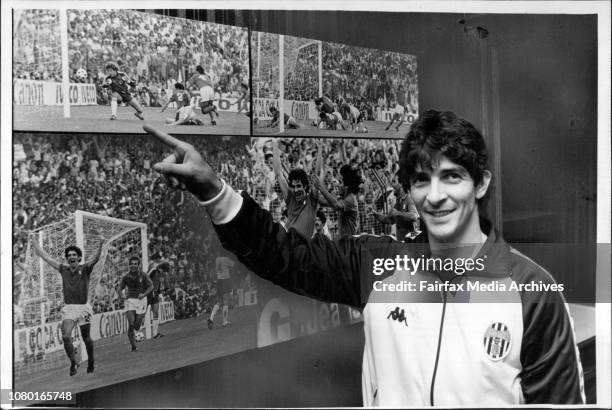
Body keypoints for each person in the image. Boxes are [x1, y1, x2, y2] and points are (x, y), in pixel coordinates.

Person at [144, 110, 585, 406]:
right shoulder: (378, 264)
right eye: (420, 180)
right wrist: (213, 190)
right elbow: (281, 255)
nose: (435, 196)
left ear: (481, 183)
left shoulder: (532, 291)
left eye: (452, 177)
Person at [32, 241, 103, 376]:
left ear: (79, 258)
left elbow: (95, 259)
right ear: (67, 258)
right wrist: (34, 240)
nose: (71, 257)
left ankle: (91, 359)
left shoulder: (85, 268)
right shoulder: (63, 269)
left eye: (74, 255)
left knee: (86, 338)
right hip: (69, 309)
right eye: (69, 255)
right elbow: (45, 257)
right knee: (65, 336)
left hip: (83, 308)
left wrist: (100, 244)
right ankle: (74, 361)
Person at [310, 164, 360, 236]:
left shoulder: (351, 199)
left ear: (347, 186)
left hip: (350, 242)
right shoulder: (343, 198)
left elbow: (336, 205)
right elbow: (323, 202)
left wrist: (320, 187)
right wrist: (311, 186)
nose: (337, 185)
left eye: (340, 182)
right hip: (344, 241)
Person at [119, 256, 154, 351]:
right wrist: (122, 296)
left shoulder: (143, 275)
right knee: (131, 324)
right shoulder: (125, 277)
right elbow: (120, 288)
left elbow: (151, 287)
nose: (133, 265)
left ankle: (138, 328)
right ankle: (133, 346)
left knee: (136, 326)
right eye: (132, 264)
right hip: (130, 301)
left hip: (142, 301)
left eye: (135, 264)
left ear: (138, 265)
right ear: (129, 265)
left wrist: (143, 295)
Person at [148, 260, 170, 338]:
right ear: (161, 268)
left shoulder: (161, 274)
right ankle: (137, 333)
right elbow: (146, 278)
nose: (164, 273)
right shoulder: (153, 271)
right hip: (148, 294)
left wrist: (161, 292)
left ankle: (155, 334)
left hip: (155, 295)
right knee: (142, 314)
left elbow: (158, 285)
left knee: (156, 312)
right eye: (164, 271)